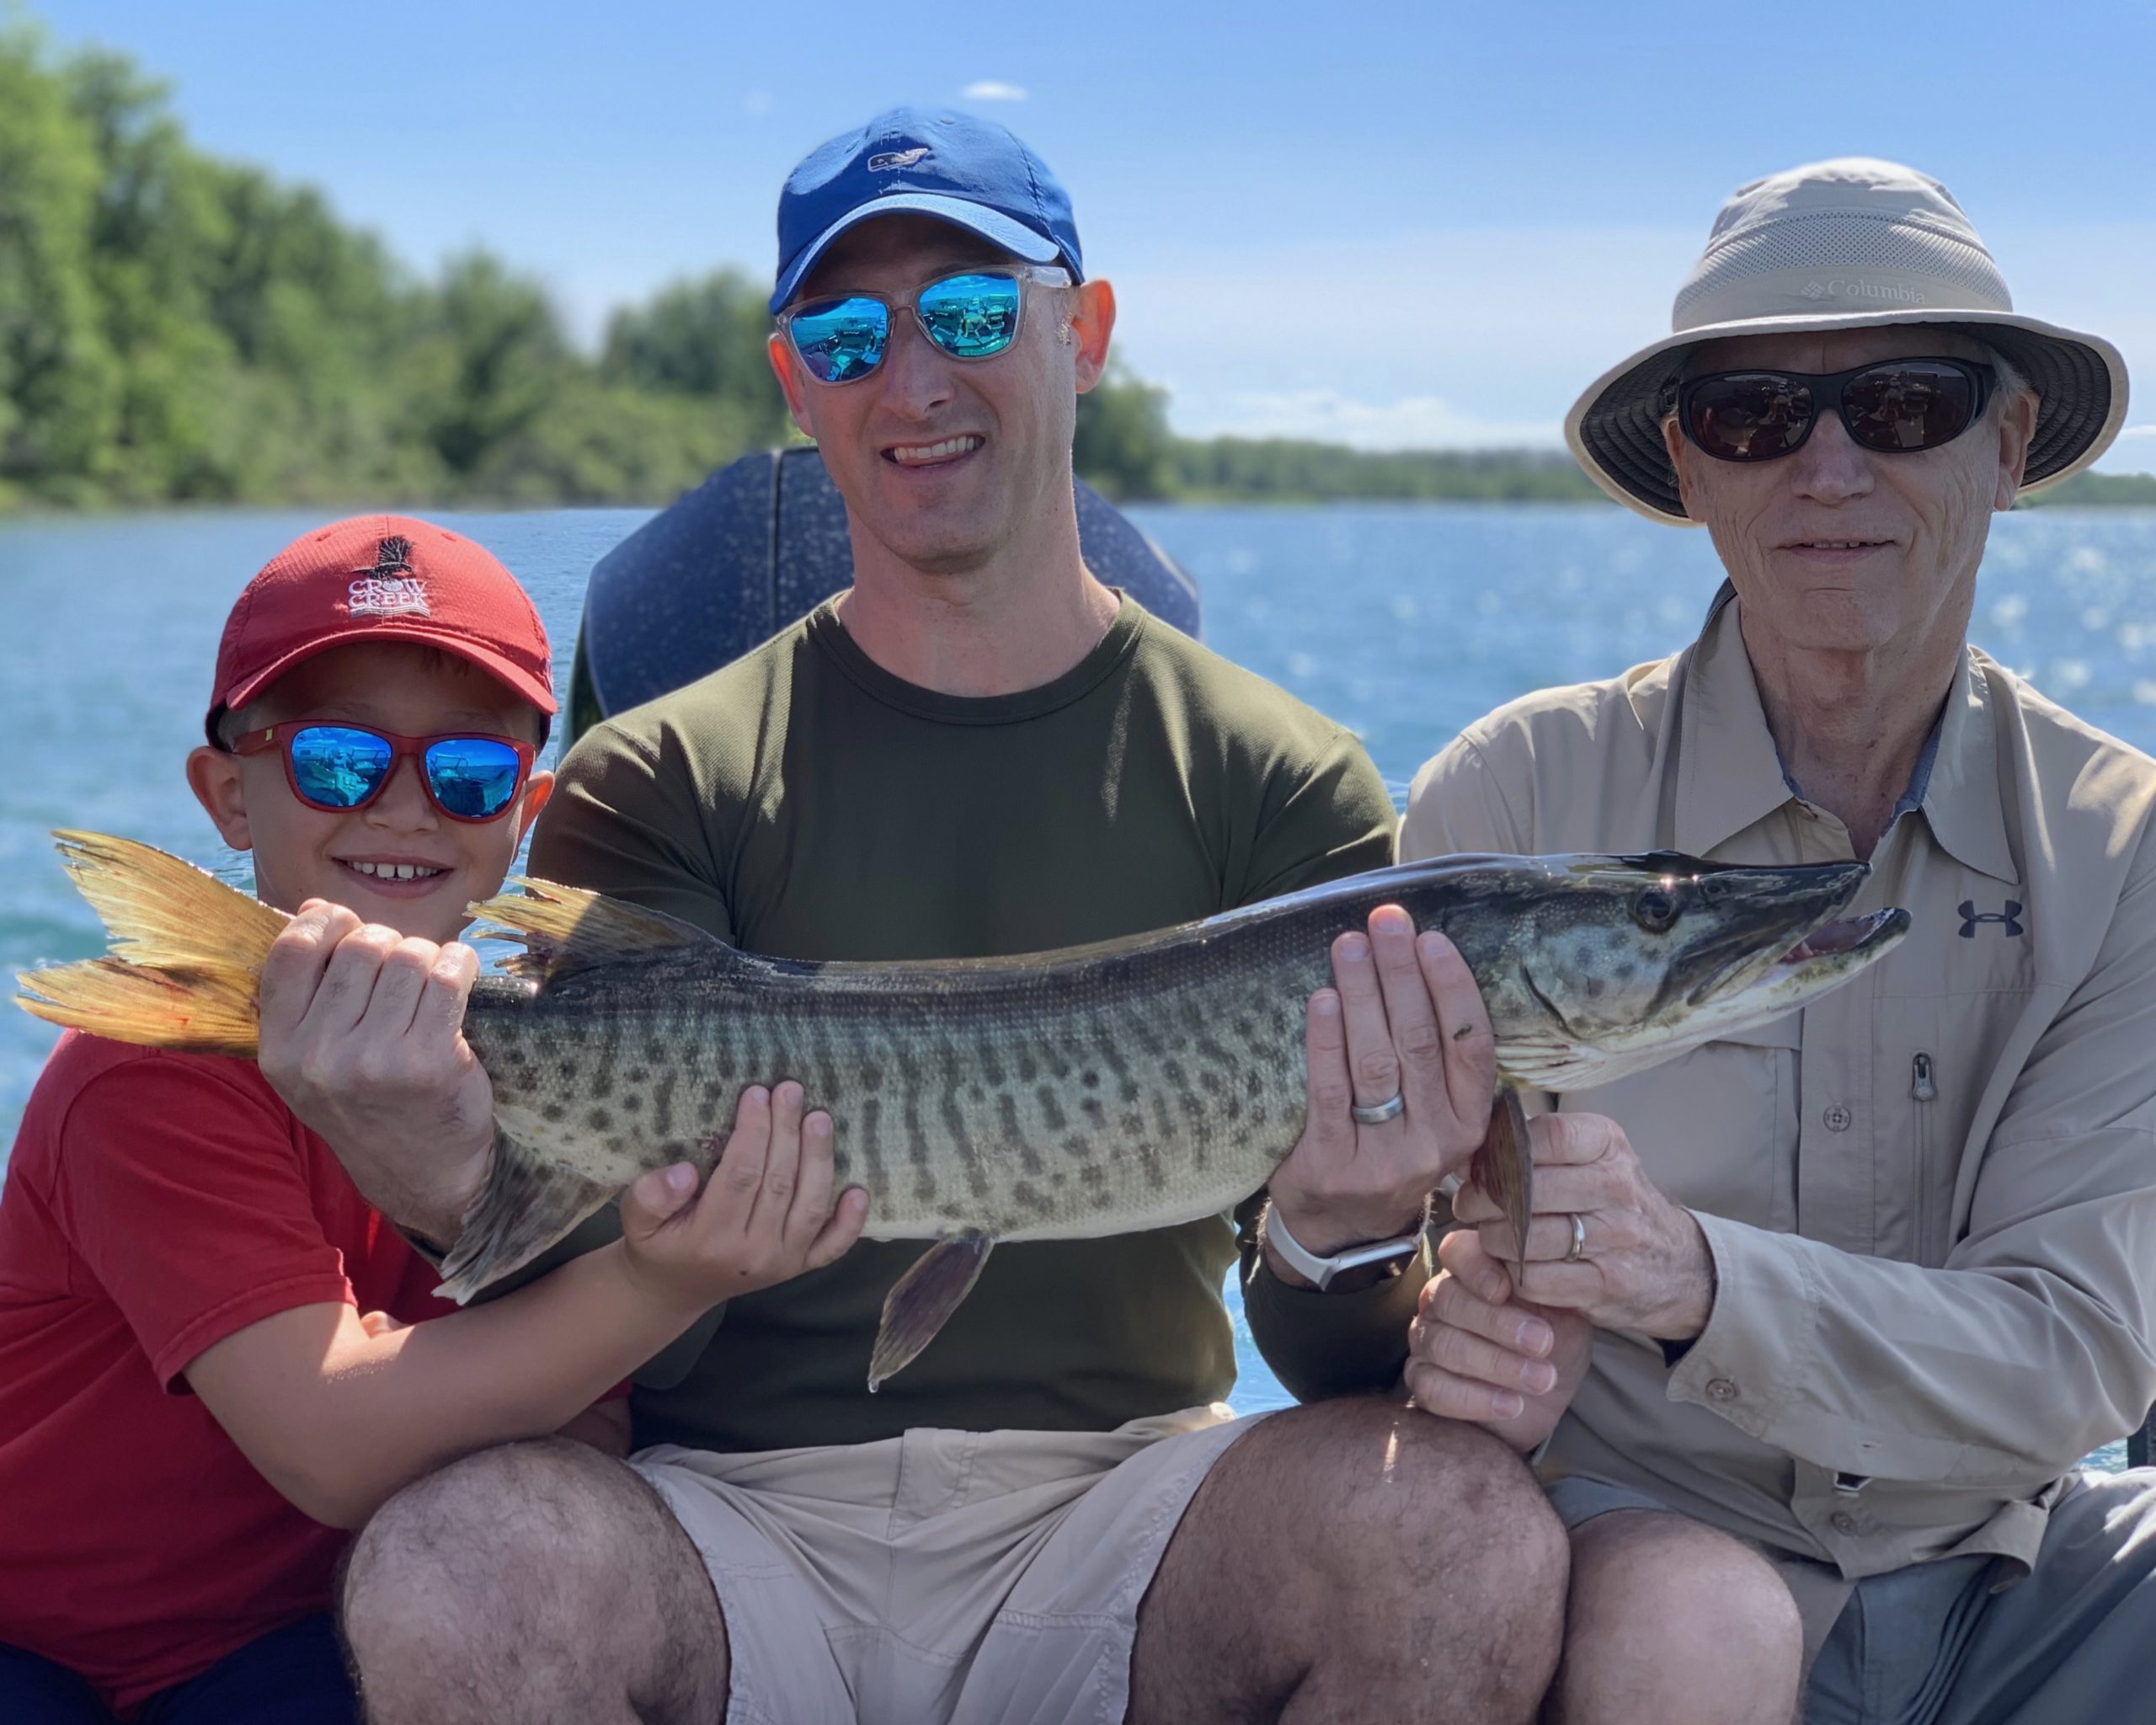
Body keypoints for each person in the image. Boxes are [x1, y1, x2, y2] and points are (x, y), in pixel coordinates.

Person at [256, 110, 1570, 1723]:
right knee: (458, 1563)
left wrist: (1347, 1233)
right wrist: (442, 1162)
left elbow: (1329, 1361)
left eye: (967, 313)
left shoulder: (1279, 781)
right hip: (726, 1516)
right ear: (795, 382)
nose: (913, 379)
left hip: (1129, 1509)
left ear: (1080, 335)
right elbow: (594, 1299)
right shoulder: (657, 771)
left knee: (1460, 1535)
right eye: (850, 334)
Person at [1401, 158, 2154, 1723]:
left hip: (2021, 1571)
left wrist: (1688, 1281)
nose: (1827, 468)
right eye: (1755, 412)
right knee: (1686, 1631)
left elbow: (2078, 1350)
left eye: (1903, 404)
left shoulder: (2131, 847)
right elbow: (1384, 1255)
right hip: (1637, 1559)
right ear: (1692, 464)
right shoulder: (1509, 793)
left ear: (2006, 445)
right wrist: (1436, 1317)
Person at [0, 516, 860, 1722]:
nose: (405, 809)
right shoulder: (150, 1066)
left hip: (312, 1632)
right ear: (228, 794)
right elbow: (331, 1445)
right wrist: (664, 1285)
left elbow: (585, 1424)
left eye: (466, 776)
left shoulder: (571, 1060)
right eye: (339, 764)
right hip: (43, 1647)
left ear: (527, 813)